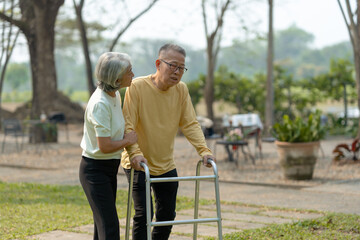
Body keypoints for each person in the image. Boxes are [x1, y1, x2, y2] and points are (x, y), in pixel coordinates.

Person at [121, 43, 215, 239]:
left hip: (165, 163)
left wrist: (204, 150)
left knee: (167, 215)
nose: (177, 72)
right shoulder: (137, 86)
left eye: (181, 68)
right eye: (172, 65)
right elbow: (127, 125)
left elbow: (190, 123)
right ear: (158, 63)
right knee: (143, 216)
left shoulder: (181, 90)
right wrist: (135, 154)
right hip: (138, 163)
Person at [79, 52, 137, 240]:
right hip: (95, 170)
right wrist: (128, 140)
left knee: (102, 226)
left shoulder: (114, 95)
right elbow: (104, 146)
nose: (133, 74)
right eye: (129, 72)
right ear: (117, 78)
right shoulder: (100, 103)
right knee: (110, 226)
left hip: (109, 168)